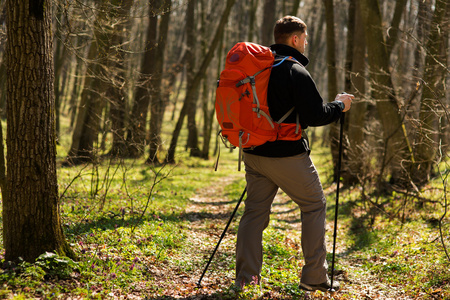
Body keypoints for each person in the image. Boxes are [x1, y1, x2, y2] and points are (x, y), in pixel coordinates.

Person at [235, 15, 354, 292]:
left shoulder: (256, 68)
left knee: (254, 213)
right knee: (313, 205)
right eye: (306, 39)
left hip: (253, 153)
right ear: (296, 39)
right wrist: (339, 106)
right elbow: (315, 115)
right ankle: (314, 277)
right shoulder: (294, 70)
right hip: (287, 155)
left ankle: (246, 280)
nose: (306, 44)